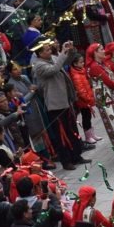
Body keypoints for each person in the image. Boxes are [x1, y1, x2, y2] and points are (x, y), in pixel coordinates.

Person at [30, 39, 90, 171]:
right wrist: (62, 53)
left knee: (72, 131)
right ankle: (66, 161)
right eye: (46, 50)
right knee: (61, 135)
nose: (50, 51)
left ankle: (76, 156)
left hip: (65, 101)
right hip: (54, 105)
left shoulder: (52, 57)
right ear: (39, 54)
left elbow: (66, 62)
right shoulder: (38, 65)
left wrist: (70, 50)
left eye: (49, 48)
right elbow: (54, 68)